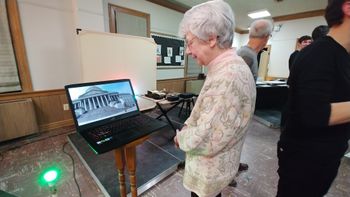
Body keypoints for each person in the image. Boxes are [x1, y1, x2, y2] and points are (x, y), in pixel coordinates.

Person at [174, 1, 256, 196]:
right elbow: (205, 110)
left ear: (211, 38)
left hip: (209, 169)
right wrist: (188, 124)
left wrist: (181, 137)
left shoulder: (228, 76)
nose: (187, 50)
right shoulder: (228, 66)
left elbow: (209, 137)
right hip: (217, 165)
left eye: (190, 41)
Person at [277, 0, 350, 196]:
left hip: (326, 157)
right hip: (304, 161)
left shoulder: (342, 56)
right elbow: (315, 113)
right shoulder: (319, 53)